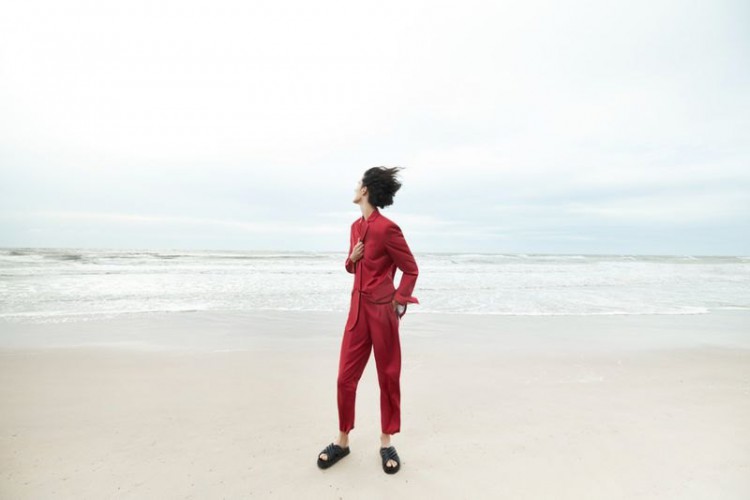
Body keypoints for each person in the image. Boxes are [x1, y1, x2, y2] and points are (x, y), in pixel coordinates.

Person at [317, 166, 419, 475]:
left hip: (382, 312)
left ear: (365, 191)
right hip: (357, 312)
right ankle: (342, 440)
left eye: (358, 183)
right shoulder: (354, 227)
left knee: (387, 376)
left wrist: (398, 302)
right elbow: (352, 267)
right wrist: (352, 259)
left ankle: (386, 442)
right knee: (344, 378)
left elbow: (411, 269)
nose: (355, 187)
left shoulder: (388, 229)